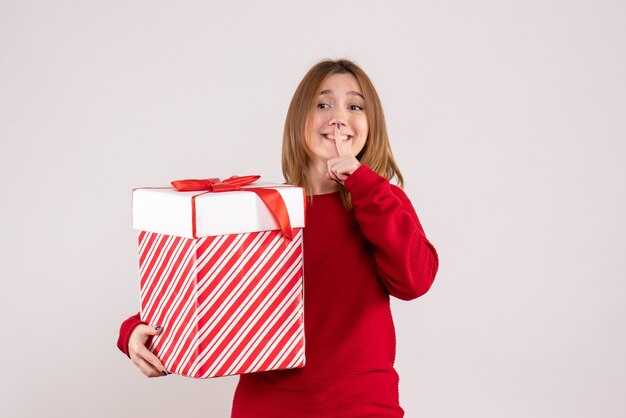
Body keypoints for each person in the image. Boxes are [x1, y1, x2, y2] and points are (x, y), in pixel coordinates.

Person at [117, 58, 439, 417]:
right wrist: (134, 330)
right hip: (269, 405)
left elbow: (415, 280)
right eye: (322, 104)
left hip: (363, 405)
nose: (337, 117)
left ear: (370, 124)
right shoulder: (264, 209)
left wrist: (363, 184)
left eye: (354, 105)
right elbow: (206, 292)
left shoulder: (382, 199)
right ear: (299, 119)